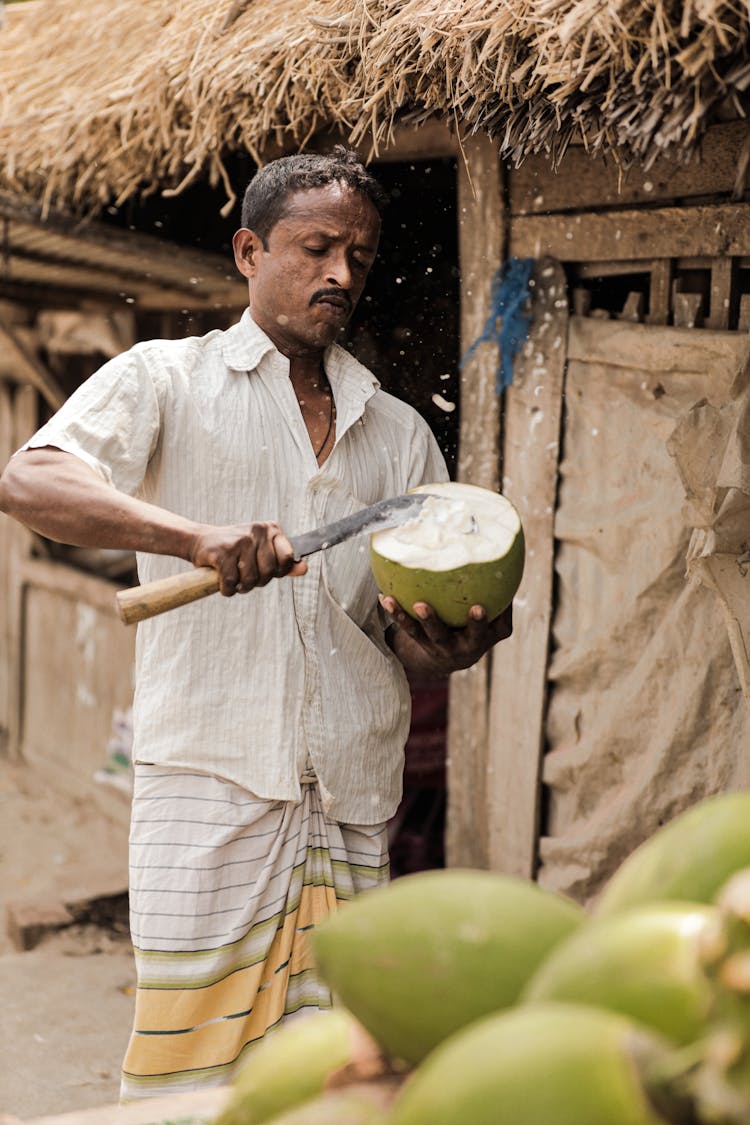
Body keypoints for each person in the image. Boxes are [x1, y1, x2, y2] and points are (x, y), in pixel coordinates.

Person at [0, 147, 512, 1100]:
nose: (341, 275)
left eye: (358, 256)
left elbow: (397, 628)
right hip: (209, 781)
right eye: (316, 248)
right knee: (188, 1076)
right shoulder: (165, 379)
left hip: (352, 795)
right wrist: (194, 537)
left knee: (331, 1078)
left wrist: (447, 644)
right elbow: (32, 478)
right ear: (248, 251)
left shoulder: (397, 430)